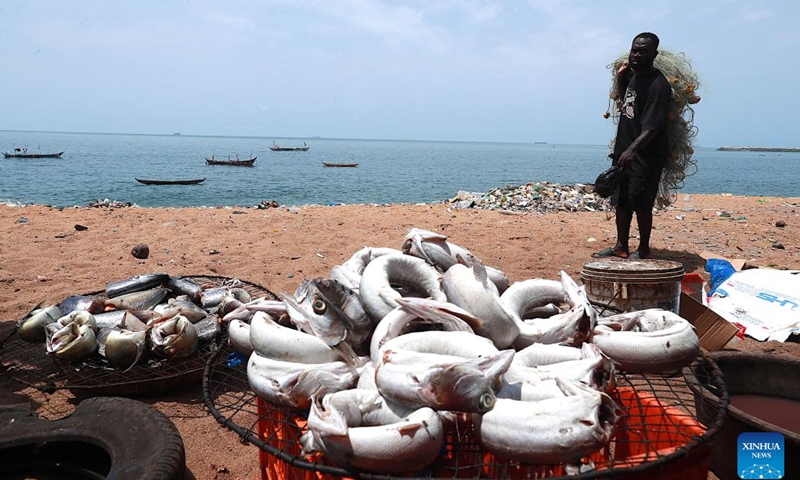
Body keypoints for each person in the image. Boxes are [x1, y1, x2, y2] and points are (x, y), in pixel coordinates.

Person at [593, 32, 671, 260]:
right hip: (625, 152)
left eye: (643, 51)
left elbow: (653, 127)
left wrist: (631, 151)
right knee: (622, 201)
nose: (637, 54)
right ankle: (620, 246)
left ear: (654, 54)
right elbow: (624, 99)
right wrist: (620, 77)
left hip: (646, 154)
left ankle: (644, 249)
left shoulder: (659, 85)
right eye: (634, 49)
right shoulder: (634, 77)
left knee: (642, 203)